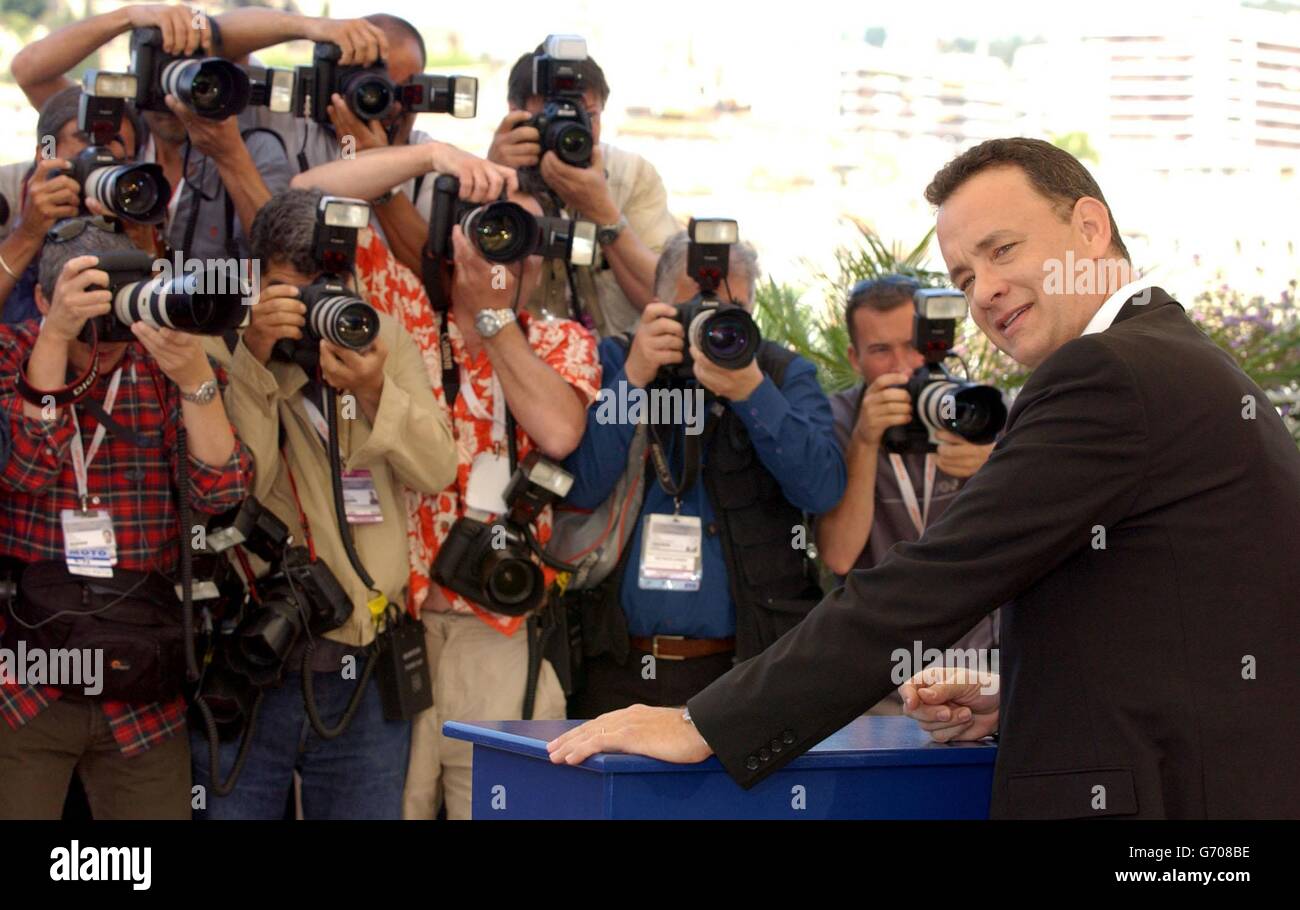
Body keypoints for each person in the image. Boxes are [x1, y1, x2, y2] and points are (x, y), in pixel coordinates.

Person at [547, 137, 1300, 819]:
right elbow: (1184, 618)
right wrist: (1018, 698)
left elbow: (934, 580)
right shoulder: (1175, 358)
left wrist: (700, 723)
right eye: (966, 276)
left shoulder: (1107, 373)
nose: (986, 291)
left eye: (1004, 250)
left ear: (1090, 230)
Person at [191, 189, 457, 819]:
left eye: (324, 285)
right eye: (290, 288)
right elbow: (234, 489)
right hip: (260, 656)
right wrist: (256, 360)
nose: (313, 307)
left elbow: (437, 468)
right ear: (255, 279)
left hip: (365, 661)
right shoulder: (219, 343)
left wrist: (372, 390)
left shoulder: (380, 336)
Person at [0, 220, 251, 819]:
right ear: (43, 298)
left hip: (141, 684)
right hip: (26, 680)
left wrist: (193, 379)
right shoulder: (11, 352)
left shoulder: (163, 366)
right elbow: (25, 469)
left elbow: (222, 491)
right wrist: (56, 340)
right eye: (88, 312)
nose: (106, 336)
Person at [560, 231, 844, 718]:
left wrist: (751, 391)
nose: (711, 325)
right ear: (659, 305)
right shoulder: (618, 360)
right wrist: (633, 378)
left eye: (729, 312)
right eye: (696, 308)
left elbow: (821, 488)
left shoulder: (778, 373)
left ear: (751, 311)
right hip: (616, 661)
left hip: (744, 670)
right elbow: (580, 488)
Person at [816, 274, 998, 714]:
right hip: (877, 676)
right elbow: (839, 556)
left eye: (913, 346)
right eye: (880, 350)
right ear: (854, 359)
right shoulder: (837, 418)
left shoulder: (976, 409)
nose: (902, 367)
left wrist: (992, 465)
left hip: (982, 667)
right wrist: (864, 441)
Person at [10, 2, 292, 264]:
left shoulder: (254, 147)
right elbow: (28, 72)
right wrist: (129, 16)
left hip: (218, 306)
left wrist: (230, 156)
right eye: (156, 77)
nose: (169, 98)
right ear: (133, 75)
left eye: (189, 79)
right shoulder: (121, 132)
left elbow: (281, 261)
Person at [215, 9, 449, 271]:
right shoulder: (289, 119)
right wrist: (311, 27)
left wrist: (380, 172)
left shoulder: (429, 160)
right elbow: (215, 43)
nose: (387, 104)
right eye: (373, 86)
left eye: (403, 91)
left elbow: (438, 277)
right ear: (334, 78)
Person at [487, 42, 680, 336]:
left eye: (585, 116)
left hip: (618, 363)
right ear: (515, 114)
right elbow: (489, 293)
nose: (571, 131)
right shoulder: (489, 177)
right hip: (521, 357)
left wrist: (605, 215)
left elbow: (669, 302)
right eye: (553, 118)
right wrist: (493, 195)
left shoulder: (631, 176)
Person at [0, 87, 146, 322]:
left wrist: (141, 250)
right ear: (45, 155)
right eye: (88, 157)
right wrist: (27, 234)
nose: (102, 168)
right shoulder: (6, 196)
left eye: (118, 162)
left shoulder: (139, 202)